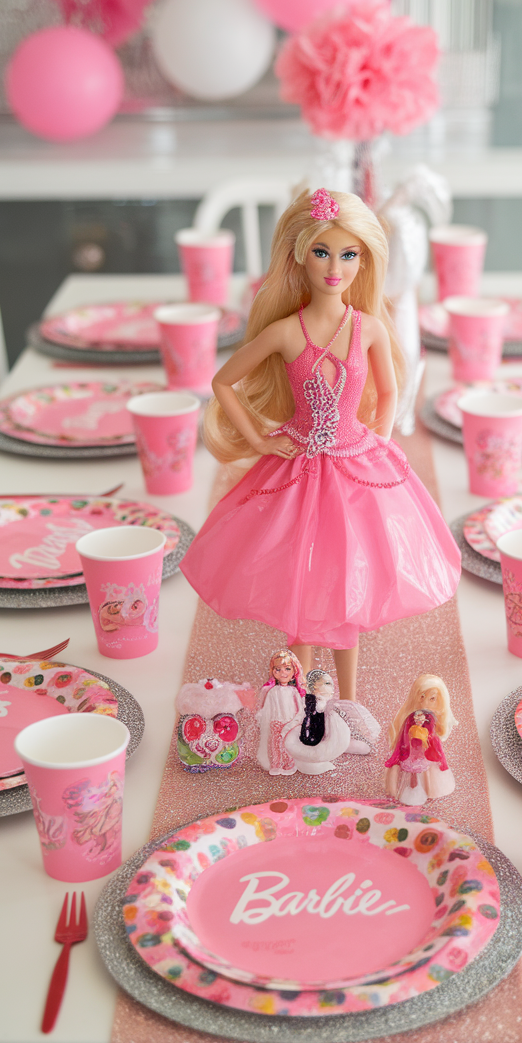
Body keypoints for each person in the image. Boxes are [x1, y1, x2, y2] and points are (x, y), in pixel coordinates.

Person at [181, 188, 461, 704]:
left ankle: (349, 704)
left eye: (348, 254)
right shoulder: (287, 333)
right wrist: (259, 438)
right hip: (298, 466)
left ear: (365, 259)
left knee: (349, 585)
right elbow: (224, 382)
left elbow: (391, 386)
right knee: (301, 585)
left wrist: (376, 435)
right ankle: (301, 702)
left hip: (356, 467)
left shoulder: (369, 327)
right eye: (322, 252)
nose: (335, 267)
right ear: (299, 255)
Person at [384, 673, 457, 805]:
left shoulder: (433, 717)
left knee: (427, 771)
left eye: (432, 698)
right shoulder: (409, 716)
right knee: (407, 771)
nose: (425, 702)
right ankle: (400, 790)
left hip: (427, 750)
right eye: (422, 697)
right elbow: (402, 734)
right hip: (409, 750)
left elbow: (437, 734)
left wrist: (429, 737)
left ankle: (427, 792)